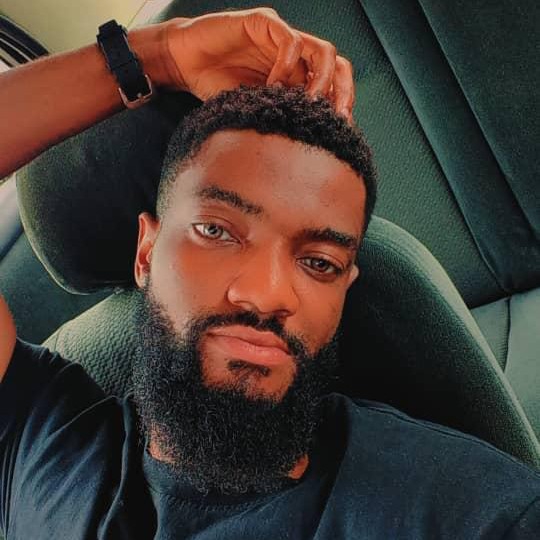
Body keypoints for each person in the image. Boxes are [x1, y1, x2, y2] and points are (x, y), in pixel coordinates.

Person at [0, 6, 539, 540]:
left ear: (344, 290)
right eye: (216, 231)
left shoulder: (465, 512)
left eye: (319, 263)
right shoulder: (41, 441)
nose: (266, 294)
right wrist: (160, 54)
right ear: (146, 252)